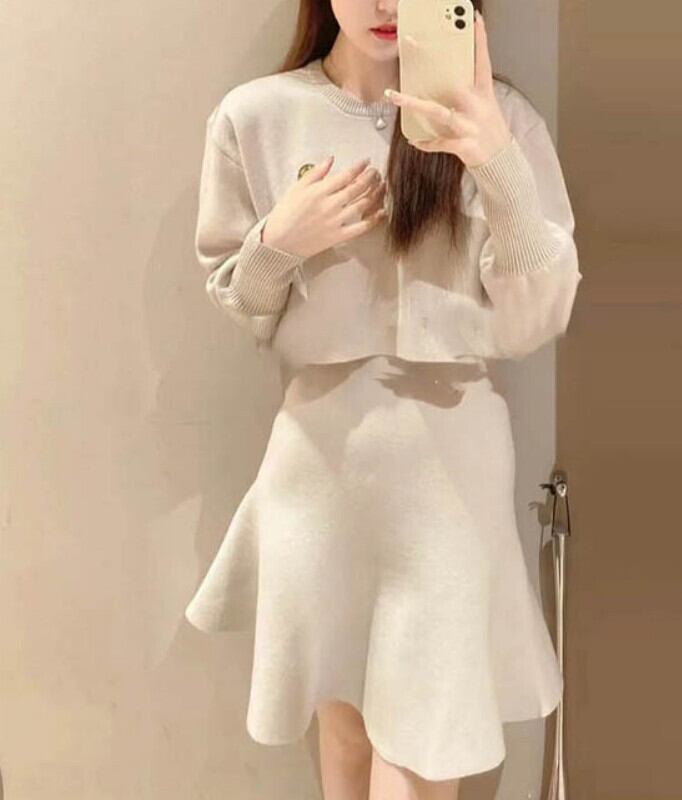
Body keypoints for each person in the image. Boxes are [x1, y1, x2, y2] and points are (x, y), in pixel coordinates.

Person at [185, 1, 583, 797]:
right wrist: (279, 241)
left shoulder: (501, 118)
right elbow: (245, 308)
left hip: (449, 468)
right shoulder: (256, 116)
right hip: (318, 466)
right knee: (342, 727)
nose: (387, 3)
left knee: (425, 739)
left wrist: (496, 161)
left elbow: (538, 318)